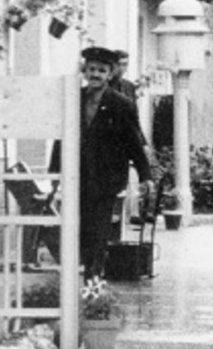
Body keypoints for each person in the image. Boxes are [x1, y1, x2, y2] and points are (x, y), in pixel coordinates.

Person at [49, 46, 154, 277]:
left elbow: (133, 142)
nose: (95, 74)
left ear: (110, 74)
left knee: (98, 229)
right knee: (79, 228)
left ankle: (93, 279)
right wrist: (54, 174)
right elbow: (61, 138)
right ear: (85, 71)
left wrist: (146, 176)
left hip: (106, 178)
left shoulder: (121, 104)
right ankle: (86, 274)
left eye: (102, 70)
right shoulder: (73, 99)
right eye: (92, 69)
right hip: (77, 175)